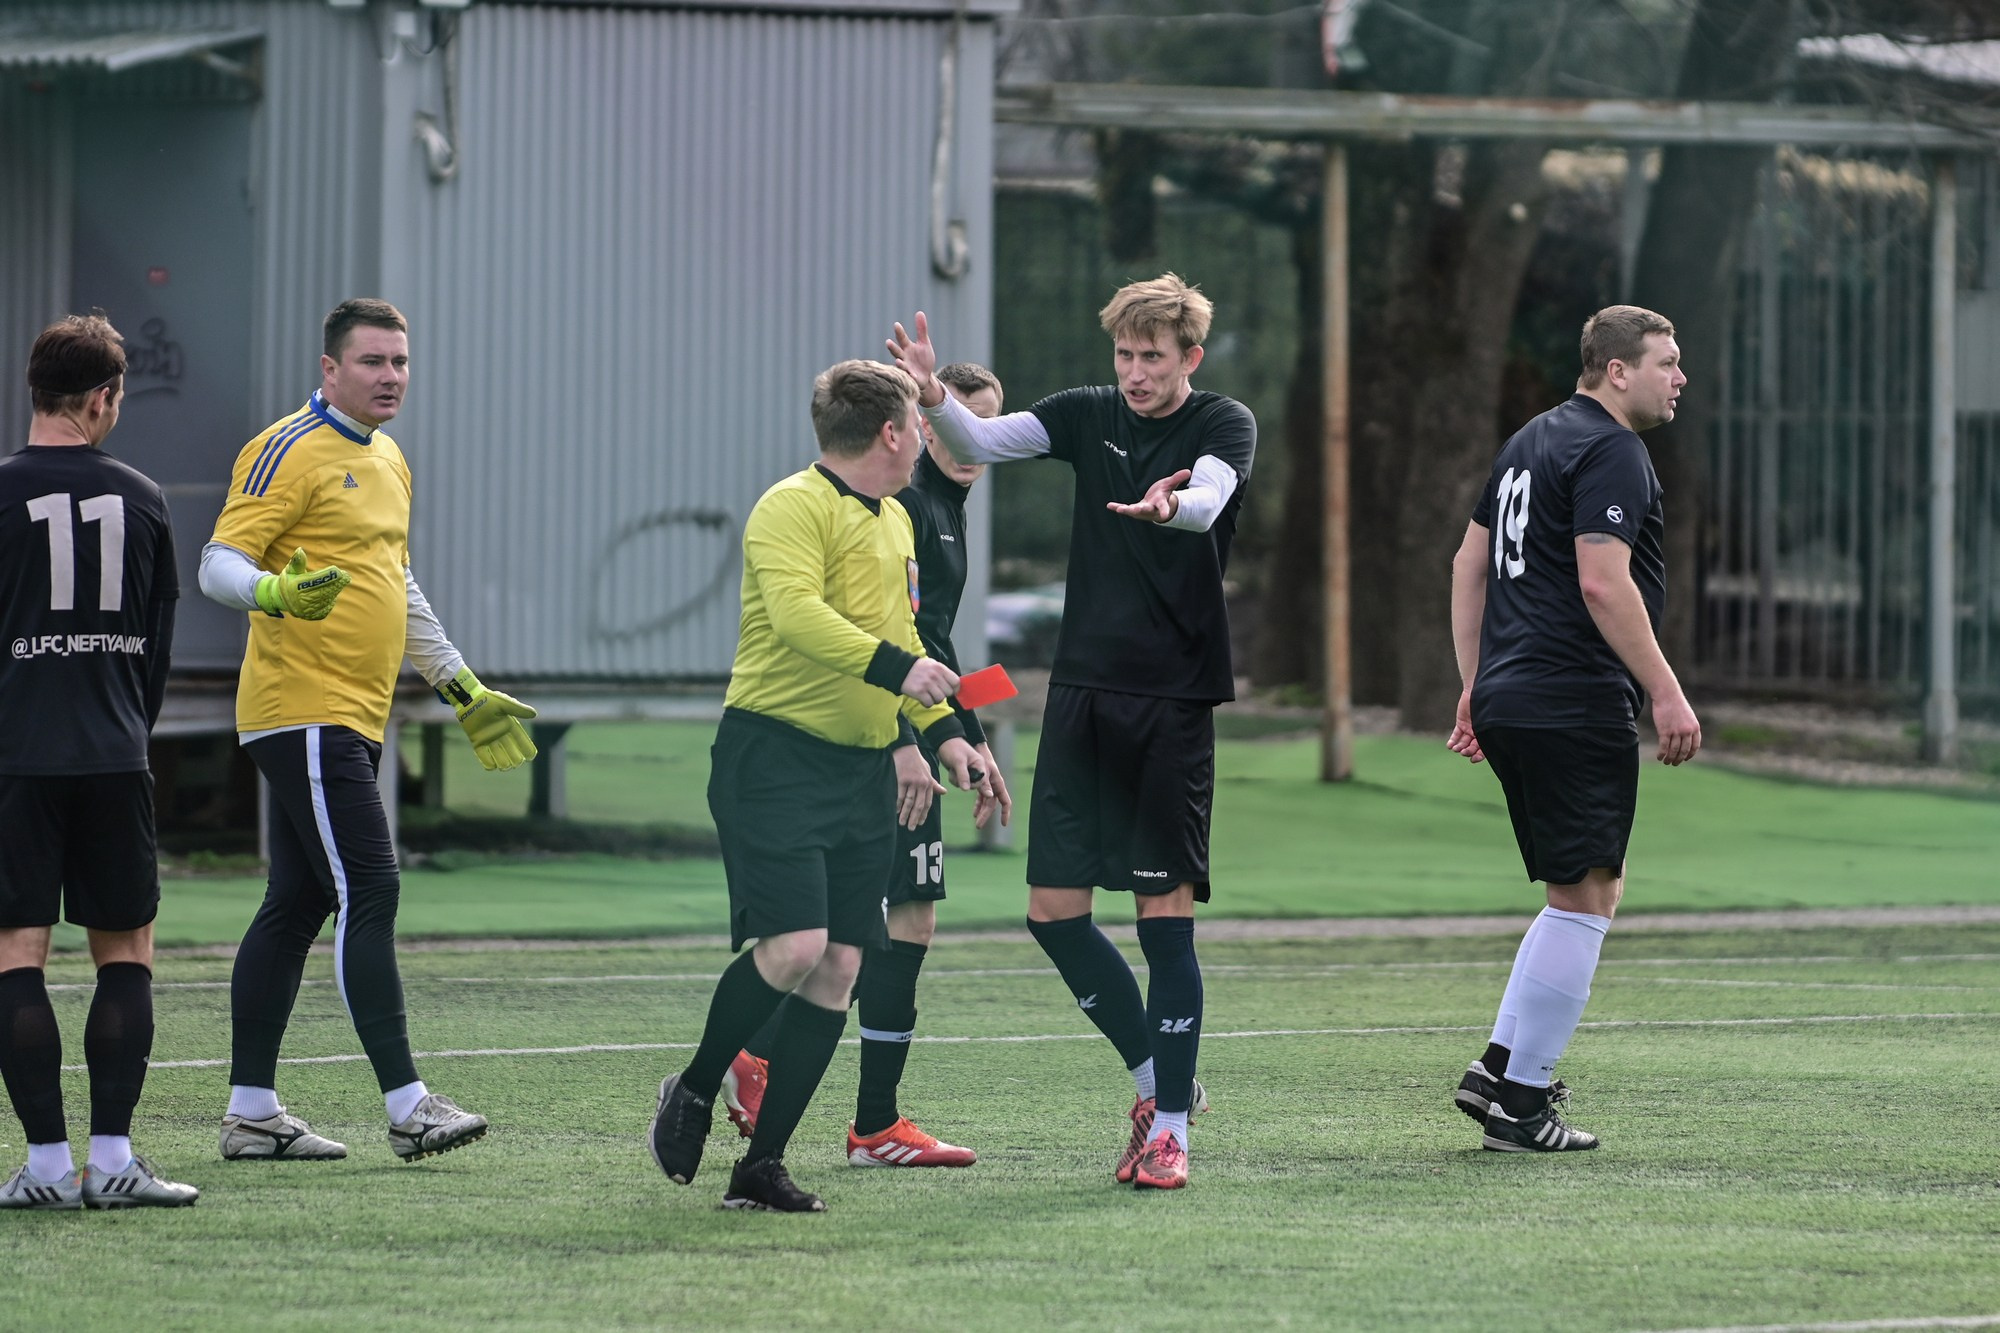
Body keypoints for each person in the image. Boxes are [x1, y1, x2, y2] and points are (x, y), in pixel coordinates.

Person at [888, 274, 1254, 1191]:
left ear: (1189, 360)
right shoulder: (1089, 412)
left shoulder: (1222, 424)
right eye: (1125, 355)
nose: (1134, 373)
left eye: (1153, 358)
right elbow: (979, 439)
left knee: (1162, 919)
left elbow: (1209, 497)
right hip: (1082, 694)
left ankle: (1170, 1129)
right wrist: (934, 394)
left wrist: (1172, 506)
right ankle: (1155, 1079)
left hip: (1170, 702)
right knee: (1052, 911)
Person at [200, 298, 538, 1165]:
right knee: (373, 887)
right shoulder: (285, 447)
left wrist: (462, 686)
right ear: (329, 368)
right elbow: (219, 563)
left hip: (357, 710)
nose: (391, 376)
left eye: (401, 362)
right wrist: (270, 593)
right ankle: (408, 1104)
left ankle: (251, 1113)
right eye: (373, 361)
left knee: (301, 899)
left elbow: (399, 586)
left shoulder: (389, 456)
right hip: (301, 706)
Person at [648, 359, 990, 1213]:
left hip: (859, 770)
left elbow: (902, 634)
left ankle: (759, 1169)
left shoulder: (898, 522)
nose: (928, 439)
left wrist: (946, 738)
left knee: (840, 965)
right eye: (921, 424)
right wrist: (902, 667)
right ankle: (691, 1087)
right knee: (796, 947)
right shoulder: (789, 505)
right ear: (892, 431)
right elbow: (802, 619)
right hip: (775, 760)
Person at [721, 363, 1014, 1170]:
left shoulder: (938, 510)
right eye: (953, 423)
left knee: (898, 922)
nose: (967, 442)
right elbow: (864, 636)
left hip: (912, 727)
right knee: (841, 935)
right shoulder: (897, 501)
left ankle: (861, 1116)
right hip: (866, 743)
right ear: (914, 425)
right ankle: (762, 1065)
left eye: (984, 429)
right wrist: (909, 740)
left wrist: (967, 729)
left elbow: (932, 648)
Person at [1445, 304, 1702, 1153]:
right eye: (1667, 362)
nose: (1680, 378)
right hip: (1569, 695)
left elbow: (1468, 563)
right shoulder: (1612, 448)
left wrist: (1474, 683)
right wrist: (1665, 689)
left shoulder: (1532, 438)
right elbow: (1602, 582)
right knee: (1588, 894)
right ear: (1618, 370)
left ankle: (1500, 1068)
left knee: (1579, 889)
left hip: (1517, 693)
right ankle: (1522, 1105)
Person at [0, 315, 197, 1209]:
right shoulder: (146, 496)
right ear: (103, 397)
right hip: (116, 757)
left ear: (36, 391)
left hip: (16, 763)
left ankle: (45, 1164)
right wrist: (123, 726)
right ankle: (112, 1160)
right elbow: (155, 654)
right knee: (126, 951)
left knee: (16, 954)